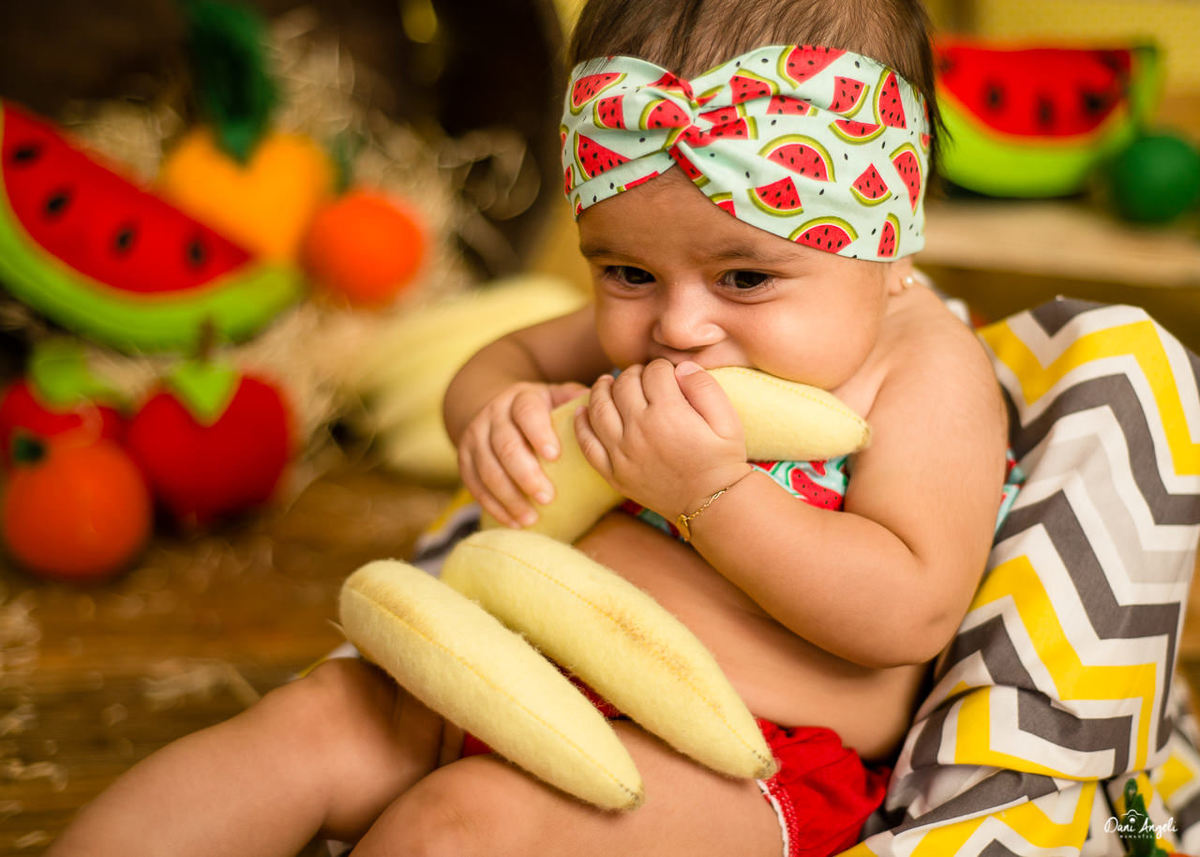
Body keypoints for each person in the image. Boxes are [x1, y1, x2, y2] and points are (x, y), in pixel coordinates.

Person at [47, 1, 1011, 855]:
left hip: (742, 755)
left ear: (890, 237)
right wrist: (497, 413)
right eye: (626, 272)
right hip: (509, 663)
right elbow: (497, 364)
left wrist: (712, 492)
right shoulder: (679, 309)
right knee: (308, 725)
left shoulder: (925, 370)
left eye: (745, 277)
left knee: (466, 822)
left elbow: (909, 611)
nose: (677, 325)